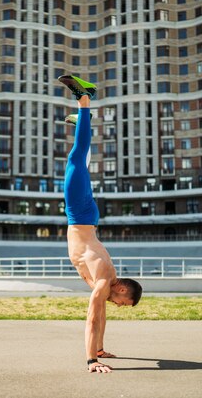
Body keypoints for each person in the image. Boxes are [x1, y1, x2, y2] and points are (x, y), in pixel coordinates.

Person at [58, 75, 143, 374]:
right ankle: (85, 98)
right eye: (124, 303)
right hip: (80, 215)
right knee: (76, 160)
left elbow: (102, 315)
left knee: (79, 164)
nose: (119, 306)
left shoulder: (107, 281)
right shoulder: (105, 281)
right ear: (122, 291)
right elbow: (92, 318)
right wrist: (91, 360)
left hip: (86, 218)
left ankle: (83, 119)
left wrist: (101, 347)